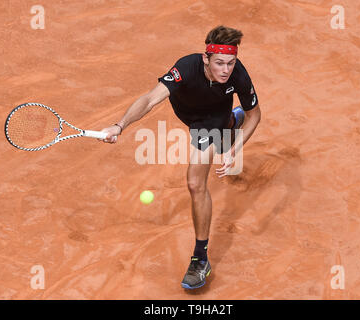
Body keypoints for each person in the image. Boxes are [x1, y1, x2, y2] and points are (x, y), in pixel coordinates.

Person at [100, 25, 261, 289]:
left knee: (195, 183)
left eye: (231, 63)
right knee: (226, 131)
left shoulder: (238, 75)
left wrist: (235, 151)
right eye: (219, 62)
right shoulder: (185, 69)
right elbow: (151, 99)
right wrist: (120, 125)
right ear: (205, 58)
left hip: (209, 122)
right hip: (191, 116)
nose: (226, 70)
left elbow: (255, 114)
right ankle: (231, 125)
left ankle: (201, 258)